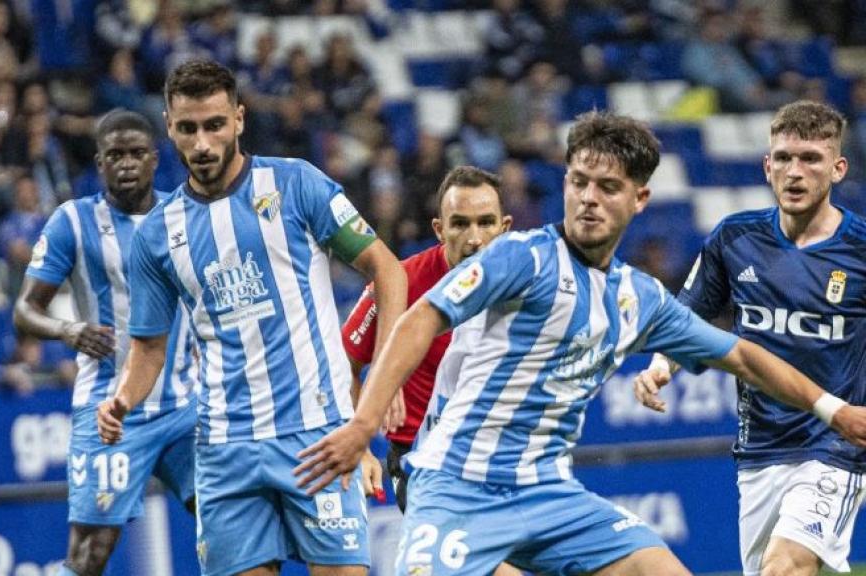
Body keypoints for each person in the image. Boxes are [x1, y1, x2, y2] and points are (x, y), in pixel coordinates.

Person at [294, 111, 866, 576]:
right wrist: (365, 424)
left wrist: (833, 410)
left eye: (607, 187)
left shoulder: (638, 297)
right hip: (457, 488)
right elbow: (420, 318)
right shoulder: (518, 256)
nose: (588, 198)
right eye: (578, 182)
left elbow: (739, 354)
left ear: (639, 200)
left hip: (548, 492)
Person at [96, 60, 407, 576]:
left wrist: (383, 374)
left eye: (214, 125)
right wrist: (123, 400)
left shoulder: (296, 184)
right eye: (188, 128)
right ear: (170, 127)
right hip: (224, 453)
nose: (202, 143)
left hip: (318, 438)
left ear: (239, 119)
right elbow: (150, 347)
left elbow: (387, 271)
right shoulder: (157, 235)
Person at [634, 100, 866, 576]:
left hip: (835, 444)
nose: (794, 172)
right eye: (782, 158)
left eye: (810, 159)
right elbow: (686, 316)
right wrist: (660, 367)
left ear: (838, 169)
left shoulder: (861, 248)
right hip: (759, 447)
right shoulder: (734, 238)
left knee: (785, 567)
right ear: (766, 166)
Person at [13, 109, 198, 576]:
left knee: (230, 528)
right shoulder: (72, 222)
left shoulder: (186, 216)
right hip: (108, 411)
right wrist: (68, 330)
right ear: (100, 163)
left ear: (156, 159)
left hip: (186, 408)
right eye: (115, 155)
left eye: (137, 153)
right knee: (90, 554)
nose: (127, 163)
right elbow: (25, 310)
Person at [341, 165, 512, 508]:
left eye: (486, 223)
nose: (474, 238)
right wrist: (357, 447)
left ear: (505, 228)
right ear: (439, 229)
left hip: (503, 456)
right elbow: (342, 364)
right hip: (421, 459)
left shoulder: (525, 283)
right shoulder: (399, 282)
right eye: (460, 224)